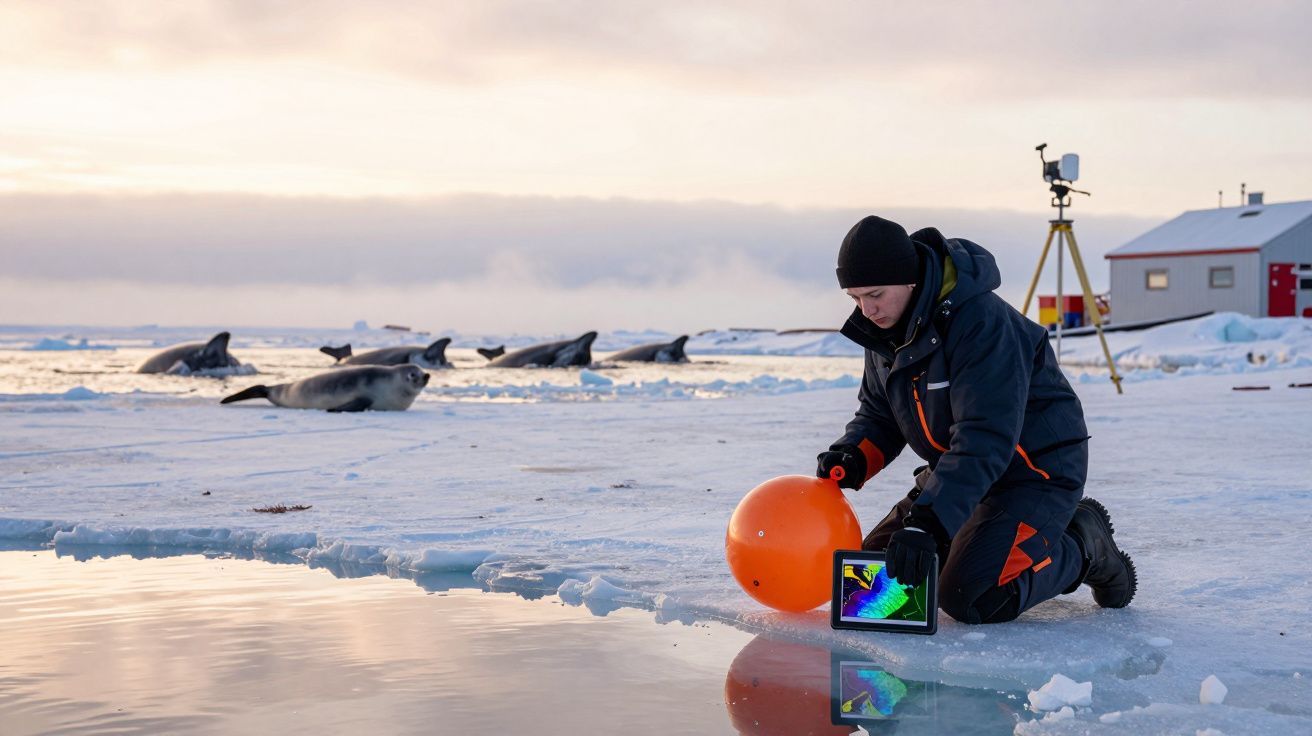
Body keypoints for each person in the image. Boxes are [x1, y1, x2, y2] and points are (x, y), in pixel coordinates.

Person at [816, 215, 1136, 624]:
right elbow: (880, 413)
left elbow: (985, 436)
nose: (867, 309)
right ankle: (970, 533)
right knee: (871, 584)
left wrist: (928, 523)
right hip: (961, 471)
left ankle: (1082, 545)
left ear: (910, 279)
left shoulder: (981, 323)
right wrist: (854, 455)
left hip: (1032, 472)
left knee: (972, 595)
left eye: (875, 294)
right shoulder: (886, 330)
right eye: (856, 297)